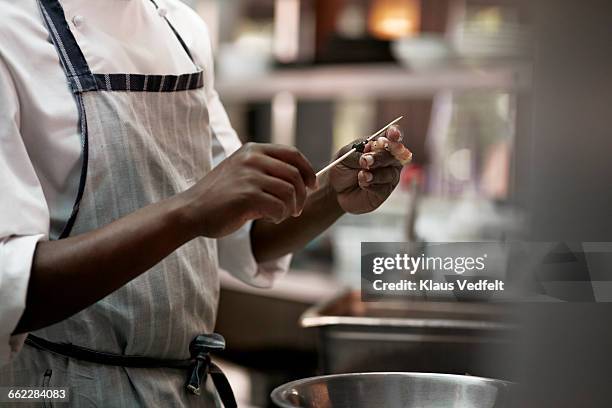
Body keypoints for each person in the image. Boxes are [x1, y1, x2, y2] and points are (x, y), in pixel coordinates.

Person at [0, 0, 407, 406]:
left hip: (184, 391)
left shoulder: (180, 30)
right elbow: (10, 287)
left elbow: (240, 230)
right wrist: (191, 211)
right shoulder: (12, 29)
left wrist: (332, 195)